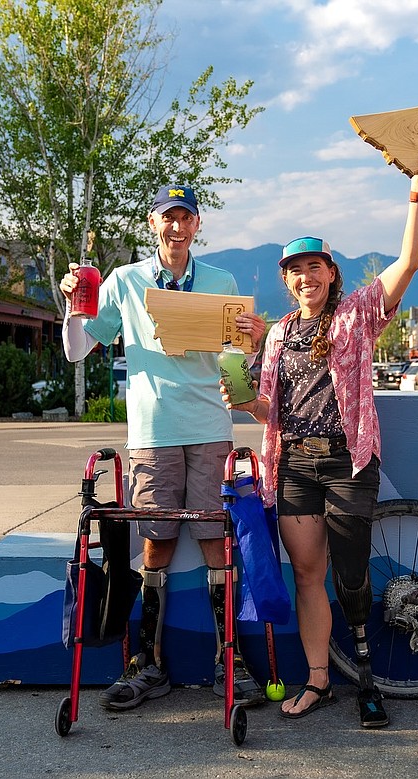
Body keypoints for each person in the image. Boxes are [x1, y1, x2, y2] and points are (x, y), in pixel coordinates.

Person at [224, 151, 418, 728]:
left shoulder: (357, 316)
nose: (306, 277)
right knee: (306, 574)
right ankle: (319, 681)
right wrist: (245, 401)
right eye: (295, 270)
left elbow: (410, 261)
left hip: (349, 461)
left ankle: (368, 682)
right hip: (294, 464)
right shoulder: (275, 337)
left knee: (351, 579)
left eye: (315, 266)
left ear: (331, 272)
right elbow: (271, 411)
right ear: (286, 280)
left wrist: (416, 193)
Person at [59, 184, 267, 712]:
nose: (177, 227)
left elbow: (239, 354)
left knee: (218, 541)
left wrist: (254, 337)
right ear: (153, 224)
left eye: (186, 218)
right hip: (152, 431)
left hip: (210, 424)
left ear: (198, 226)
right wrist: (71, 306)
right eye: (168, 217)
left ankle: (230, 659)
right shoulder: (124, 280)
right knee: (156, 542)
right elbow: (80, 350)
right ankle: (148, 663)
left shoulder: (221, 281)